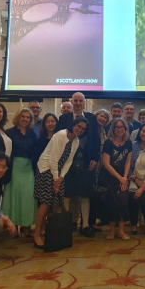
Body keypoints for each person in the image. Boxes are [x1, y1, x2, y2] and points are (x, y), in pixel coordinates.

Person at [32, 116, 86, 248]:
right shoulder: (61, 135)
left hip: (58, 173)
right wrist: (56, 179)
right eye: (78, 126)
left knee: (57, 203)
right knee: (45, 202)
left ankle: (55, 233)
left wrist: (61, 177)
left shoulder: (76, 141)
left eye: (83, 129)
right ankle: (37, 234)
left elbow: (68, 162)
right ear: (73, 125)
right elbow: (53, 159)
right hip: (45, 170)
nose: (80, 129)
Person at [57, 93, 101, 236]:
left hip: (87, 162)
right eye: (75, 100)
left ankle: (85, 225)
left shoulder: (92, 118)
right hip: (68, 163)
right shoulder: (64, 119)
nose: (77, 103)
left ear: (84, 102)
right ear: (71, 101)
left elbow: (96, 140)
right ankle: (68, 224)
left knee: (85, 195)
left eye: (80, 100)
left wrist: (95, 159)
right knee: (68, 194)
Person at [3, 108, 37, 238]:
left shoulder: (32, 133)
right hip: (14, 168)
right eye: (23, 116)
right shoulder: (9, 132)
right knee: (14, 197)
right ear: (18, 117)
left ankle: (25, 226)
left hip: (28, 168)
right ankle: (13, 226)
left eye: (28, 117)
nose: (25, 119)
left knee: (27, 198)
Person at [100, 118, 133, 240]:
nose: (120, 130)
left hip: (123, 175)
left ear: (125, 129)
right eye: (117, 127)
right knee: (112, 205)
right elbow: (106, 164)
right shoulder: (108, 143)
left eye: (122, 127)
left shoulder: (129, 143)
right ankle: (112, 232)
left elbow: (128, 162)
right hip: (110, 176)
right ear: (113, 129)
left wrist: (124, 178)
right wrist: (120, 178)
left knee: (123, 204)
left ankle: (121, 231)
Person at [128, 123, 145, 235]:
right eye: (143, 131)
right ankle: (134, 225)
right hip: (133, 179)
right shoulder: (132, 145)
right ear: (139, 132)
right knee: (133, 198)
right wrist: (135, 179)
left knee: (144, 199)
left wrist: (142, 186)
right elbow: (128, 165)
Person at [90, 108, 111, 233]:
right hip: (91, 164)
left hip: (101, 166)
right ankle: (87, 223)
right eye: (101, 116)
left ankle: (92, 222)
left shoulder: (103, 131)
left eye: (105, 118)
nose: (102, 119)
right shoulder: (90, 129)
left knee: (96, 195)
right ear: (96, 115)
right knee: (89, 195)